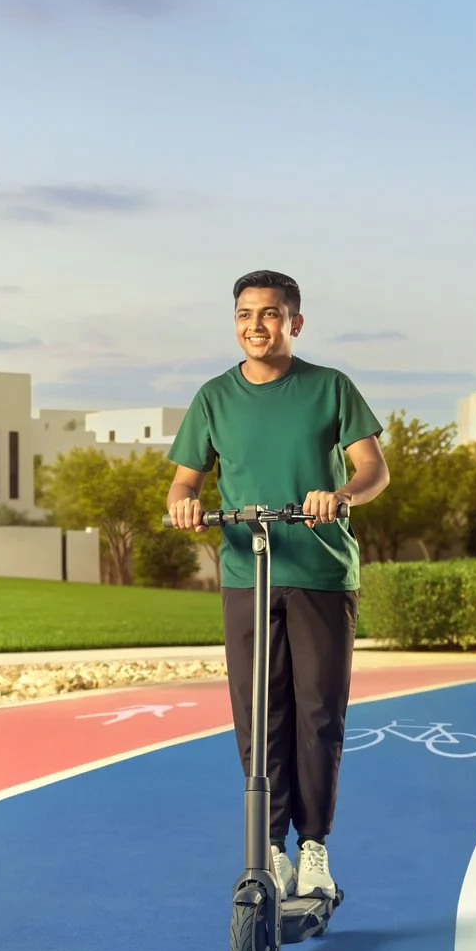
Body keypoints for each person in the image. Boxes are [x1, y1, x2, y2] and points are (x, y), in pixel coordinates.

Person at [165, 269, 389, 900]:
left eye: (268, 314)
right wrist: (184, 504)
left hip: (319, 572)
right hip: (248, 573)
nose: (254, 326)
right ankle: (268, 848)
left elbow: (373, 468)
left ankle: (313, 848)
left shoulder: (330, 388)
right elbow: (184, 482)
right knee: (259, 716)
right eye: (244, 315)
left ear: (295, 321)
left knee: (319, 715)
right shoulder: (213, 397)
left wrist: (339, 495)